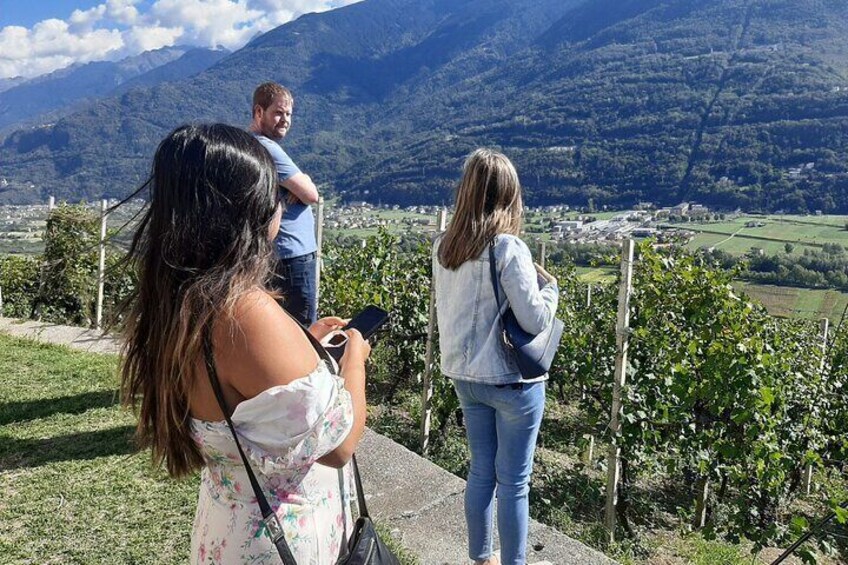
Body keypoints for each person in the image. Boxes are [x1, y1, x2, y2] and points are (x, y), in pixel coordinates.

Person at [120, 124, 369, 564]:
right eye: (273, 193)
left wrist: (303, 348)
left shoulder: (182, 299)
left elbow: (242, 391)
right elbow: (339, 445)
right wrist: (355, 358)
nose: (280, 204)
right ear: (246, 210)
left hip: (225, 526)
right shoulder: (243, 311)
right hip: (279, 539)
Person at [432, 149, 559, 565]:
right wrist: (552, 289)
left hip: (465, 377)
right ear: (509, 195)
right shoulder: (507, 248)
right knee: (515, 483)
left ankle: (480, 558)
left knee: (480, 471)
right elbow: (536, 319)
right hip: (512, 382)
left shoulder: (444, 247)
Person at [249, 81, 320, 326]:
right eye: (278, 112)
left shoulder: (248, 145)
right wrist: (305, 182)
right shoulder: (268, 149)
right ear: (259, 112)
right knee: (303, 331)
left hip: (271, 255)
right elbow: (311, 195)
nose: (285, 120)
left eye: (288, 114)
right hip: (293, 256)